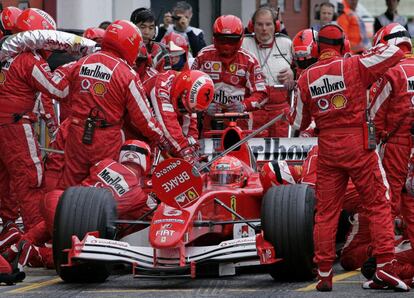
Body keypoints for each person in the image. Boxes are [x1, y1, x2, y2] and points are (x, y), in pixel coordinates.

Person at [289, 24, 407, 291]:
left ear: (317, 47)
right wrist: (363, 53)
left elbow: (297, 120)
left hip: (328, 147)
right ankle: (386, 265)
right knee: (378, 202)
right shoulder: (354, 65)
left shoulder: (305, 77)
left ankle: (323, 274)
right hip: (358, 143)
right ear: (343, 45)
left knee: (326, 213)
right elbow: (394, 53)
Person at [2, 140, 158, 271]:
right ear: (146, 160)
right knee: (78, 257)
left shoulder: (103, 163)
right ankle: (37, 254)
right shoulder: (141, 196)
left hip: (58, 200)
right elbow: (152, 220)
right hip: (83, 224)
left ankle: (17, 243)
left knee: (64, 218)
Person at [56, 20, 172, 189]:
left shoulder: (81, 63)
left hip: (76, 132)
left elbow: (57, 88)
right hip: (106, 138)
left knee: (71, 188)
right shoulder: (127, 74)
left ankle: (68, 215)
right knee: (103, 188)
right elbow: (144, 119)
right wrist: (160, 138)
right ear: (129, 43)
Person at [370, 23, 414, 242]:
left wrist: (370, 145)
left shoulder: (391, 71)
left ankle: (385, 254)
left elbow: (374, 115)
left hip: (397, 145)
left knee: (389, 198)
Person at [192, 15, 267, 134]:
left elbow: (262, 93)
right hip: (209, 121)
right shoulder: (203, 56)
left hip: (240, 122)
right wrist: (203, 107)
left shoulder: (249, 60)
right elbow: (189, 88)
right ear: (214, 37)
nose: (226, 44)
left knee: (239, 152)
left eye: (231, 40)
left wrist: (243, 106)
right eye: (222, 39)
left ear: (240, 38)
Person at [124, 69, 214, 165]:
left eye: (189, 110)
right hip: (132, 132)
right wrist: (185, 151)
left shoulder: (189, 99)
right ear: (181, 91)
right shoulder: (161, 86)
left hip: (159, 138)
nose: (184, 111)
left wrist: (193, 149)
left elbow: (191, 124)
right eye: (183, 106)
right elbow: (167, 122)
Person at [242, 6, 294, 137]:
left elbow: (302, 69)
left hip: (281, 110)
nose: (264, 29)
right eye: (259, 24)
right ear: (252, 26)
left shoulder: (286, 43)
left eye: (268, 24)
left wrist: (293, 73)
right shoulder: (243, 43)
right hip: (254, 109)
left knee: (281, 151)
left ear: (275, 26)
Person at [130, 7, 171, 72]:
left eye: (151, 28)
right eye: (143, 27)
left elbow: (166, 78)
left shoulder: (162, 52)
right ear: (132, 28)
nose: (147, 32)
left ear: (155, 30)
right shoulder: (124, 49)